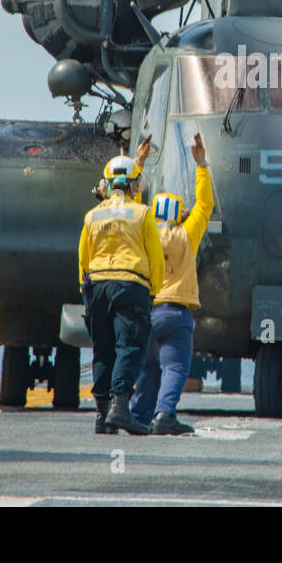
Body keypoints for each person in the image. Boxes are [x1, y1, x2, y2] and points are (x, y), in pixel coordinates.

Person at [78, 137, 163, 436]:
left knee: (102, 350)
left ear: (105, 185)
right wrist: (154, 292)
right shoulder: (142, 214)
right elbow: (156, 258)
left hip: (97, 287)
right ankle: (120, 408)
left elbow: (83, 260)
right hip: (130, 285)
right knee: (130, 346)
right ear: (134, 186)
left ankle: (102, 416)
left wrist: (85, 292)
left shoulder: (92, 216)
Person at [131, 133, 214, 435]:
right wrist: (201, 164)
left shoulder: (142, 232)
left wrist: (138, 164)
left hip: (146, 311)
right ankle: (165, 414)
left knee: (147, 367)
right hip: (175, 314)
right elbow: (204, 205)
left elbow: (130, 201)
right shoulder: (186, 236)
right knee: (175, 367)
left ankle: (139, 416)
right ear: (179, 214)